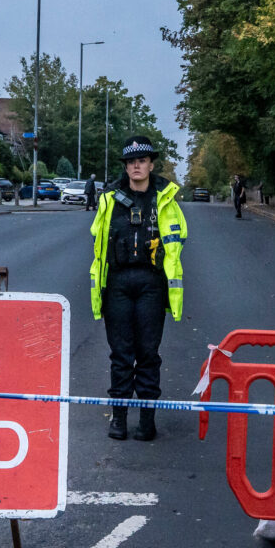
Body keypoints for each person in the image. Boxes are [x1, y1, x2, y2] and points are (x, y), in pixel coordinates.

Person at [89, 135, 187, 441]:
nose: (136, 166)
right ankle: (118, 418)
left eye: (142, 161)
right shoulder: (108, 199)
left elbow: (179, 237)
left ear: (151, 164)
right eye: (131, 162)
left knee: (147, 353)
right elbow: (98, 241)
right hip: (117, 284)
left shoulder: (165, 199)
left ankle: (146, 421)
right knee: (120, 354)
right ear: (126, 167)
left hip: (151, 285)